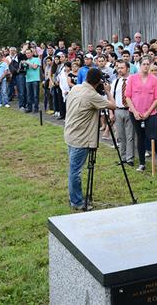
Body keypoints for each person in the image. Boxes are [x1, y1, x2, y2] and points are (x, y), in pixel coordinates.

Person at [64, 68, 116, 210]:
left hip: (70, 134)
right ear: (99, 82)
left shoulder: (76, 87)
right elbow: (113, 106)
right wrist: (107, 91)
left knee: (74, 169)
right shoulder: (92, 95)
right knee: (75, 171)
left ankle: (75, 197)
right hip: (81, 139)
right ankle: (77, 202)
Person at [125, 56, 157, 172]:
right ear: (140, 65)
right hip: (135, 113)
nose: (146, 66)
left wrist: (148, 112)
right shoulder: (132, 78)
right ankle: (142, 163)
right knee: (140, 137)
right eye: (144, 64)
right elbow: (128, 97)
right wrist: (134, 112)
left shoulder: (154, 79)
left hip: (151, 113)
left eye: (148, 64)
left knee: (153, 137)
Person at [22, 49, 41, 113]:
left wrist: (27, 63)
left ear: (32, 53)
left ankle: (36, 108)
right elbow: (24, 70)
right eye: (26, 53)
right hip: (28, 79)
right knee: (28, 95)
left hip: (35, 79)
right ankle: (29, 108)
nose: (27, 54)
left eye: (29, 53)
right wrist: (22, 66)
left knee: (35, 95)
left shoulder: (36, 59)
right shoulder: (26, 61)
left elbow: (35, 67)